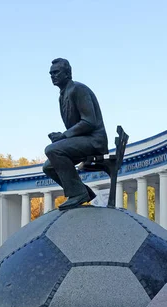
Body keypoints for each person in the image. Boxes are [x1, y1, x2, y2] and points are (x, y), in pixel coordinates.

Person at [43, 58, 109, 210]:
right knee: (48, 167)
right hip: (83, 139)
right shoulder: (63, 95)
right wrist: (61, 136)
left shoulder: (78, 89)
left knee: (52, 150)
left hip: (94, 141)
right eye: (51, 73)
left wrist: (64, 136)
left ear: (67, 73)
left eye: (56, 72)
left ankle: (77, 194)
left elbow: (89, 122)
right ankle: (83, 191)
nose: (53, 76)